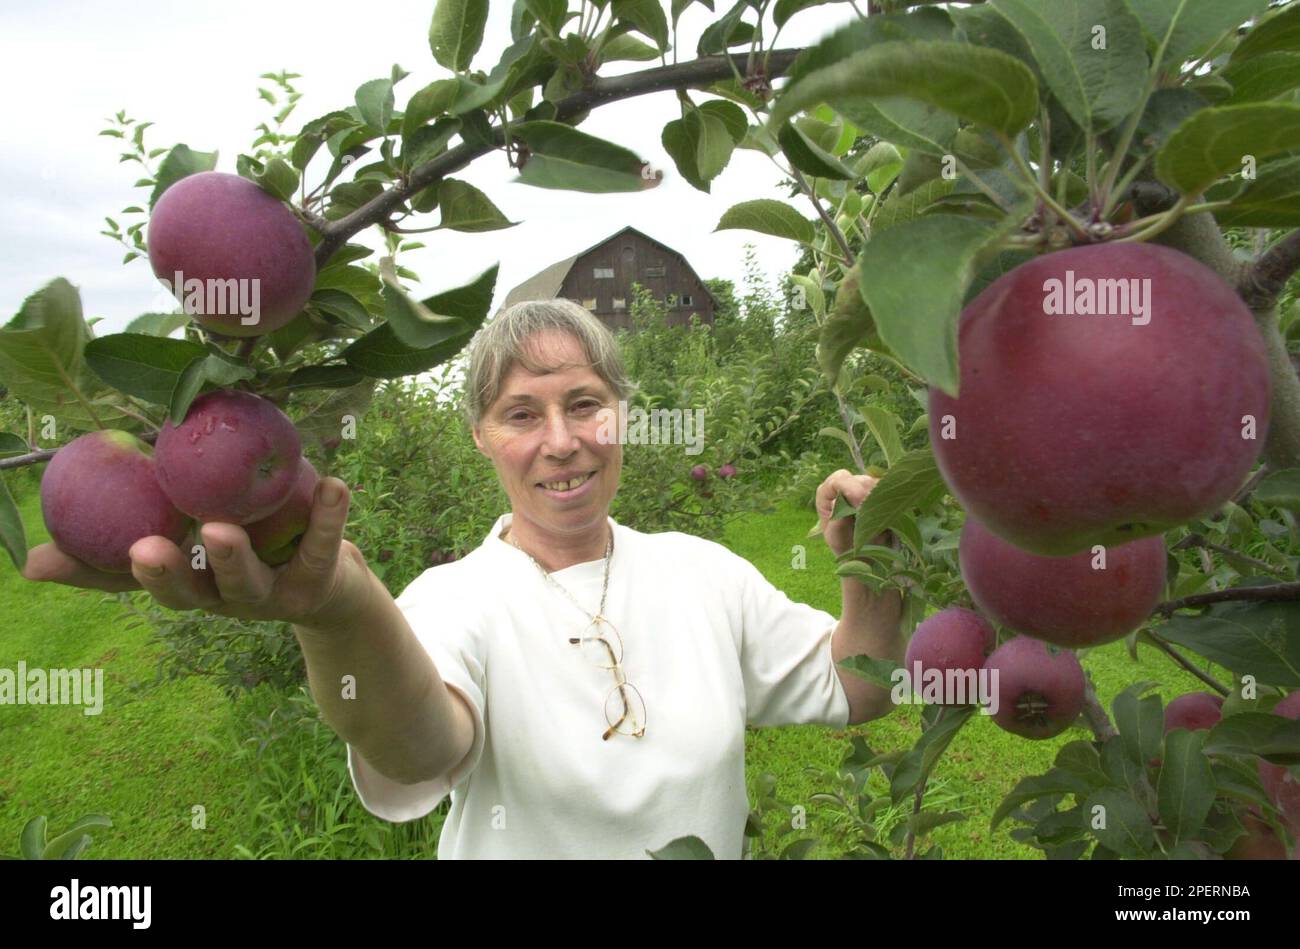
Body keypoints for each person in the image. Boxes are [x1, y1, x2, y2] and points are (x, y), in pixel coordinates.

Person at [22, 299, 904, 859]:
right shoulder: (454, 598)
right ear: (481, 435)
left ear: (623, 415)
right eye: (522, 413)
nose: (562, 440)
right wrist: (339, 611)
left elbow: (857, 689)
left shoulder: (701, 572)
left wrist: (875, 565)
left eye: (586, 403)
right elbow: (420, 746)